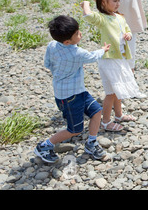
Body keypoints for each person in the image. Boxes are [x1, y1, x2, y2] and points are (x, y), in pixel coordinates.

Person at [34, 15, 110, 163]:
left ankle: (91, 142)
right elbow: (93, 56)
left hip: (78, 90)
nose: (80, 33)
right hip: (69, 97)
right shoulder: (77, 53)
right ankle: (44, 146)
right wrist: (103, 49)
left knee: (96, 111)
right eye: (77, 33)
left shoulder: (52, 45)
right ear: (67, 41)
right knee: (74, 130)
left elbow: (47, 64)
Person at [81, 0, 139, 132]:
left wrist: (128, 35)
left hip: (119, 58)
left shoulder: (119, 17)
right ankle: (106, 122)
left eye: (119, 0)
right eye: (115, 0)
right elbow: (88, 16)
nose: (118, 3)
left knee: (117, 88)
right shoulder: (102, 19)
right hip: (109, 59)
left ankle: (118, 115)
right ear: (104, 2)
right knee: (111, 92)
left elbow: (127, 30)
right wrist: (85, 4)